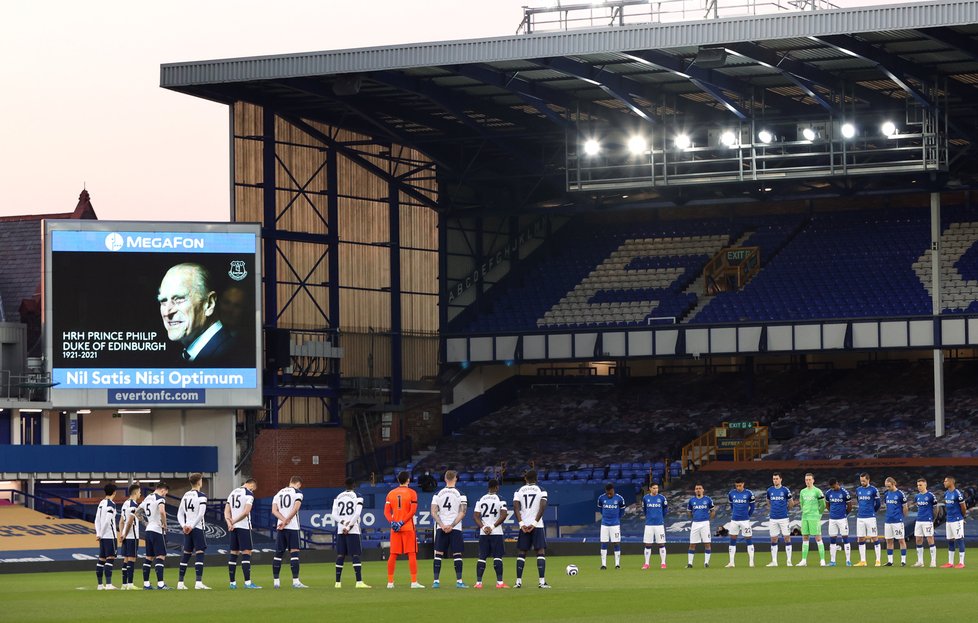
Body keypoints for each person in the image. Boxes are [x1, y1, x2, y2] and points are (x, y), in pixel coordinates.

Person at [157, 263, 241, 366]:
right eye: (163, 300)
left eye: (179, 299)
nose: (167, 312)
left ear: (209, 304)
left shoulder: (229, 356)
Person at [384, 470, 424, 589]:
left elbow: (386, 512)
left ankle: (390, 582)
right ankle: (413, 582)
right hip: (407, 527)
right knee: (411, 553)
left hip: (395, 528)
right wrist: (402, 522)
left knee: (393, 554)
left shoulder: (391, 493)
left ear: (398, 480)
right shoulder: (412, 493)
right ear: (408, 480)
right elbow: (412, 511)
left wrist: (393, 522)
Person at [513, 470, 550, 588]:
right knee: (540, 551)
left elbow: (515, 507)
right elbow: (543, 506)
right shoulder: (542, 490)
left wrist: (521, 524)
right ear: (536, 479)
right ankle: (542, 582)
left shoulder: (518, 491)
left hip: (524, 525)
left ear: (525, 479)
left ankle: (518, 582)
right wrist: (534, 523)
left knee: (522, 552)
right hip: (537, 525)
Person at [431, 470, 469, 588]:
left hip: (441, 528)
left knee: (438, 554)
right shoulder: (461, 494)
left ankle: (436, 581)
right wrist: (452, 526)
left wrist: (442, 525)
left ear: (445, 479)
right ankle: (459, 581)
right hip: (455, 528)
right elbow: (463, 512)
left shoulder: (437, 494)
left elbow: (433, 511)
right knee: (457, 554)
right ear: (456, 479)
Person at [332, 477, 370, 589]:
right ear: (354, 485)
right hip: (352, 530)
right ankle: (359, 582)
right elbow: (357, 514)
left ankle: (337, 583)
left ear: (345, 485)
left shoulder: (338, 497)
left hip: (340, 529)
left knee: (340, 555)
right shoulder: (358, 496)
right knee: (355, 555)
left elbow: (334, 515)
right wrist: (348, 526)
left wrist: (343, 522)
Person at [272, 476, 308, 588]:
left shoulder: (278, 493)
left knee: (278, 554)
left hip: (281, 527)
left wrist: (282, 521)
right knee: (294, 554)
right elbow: (296, 508)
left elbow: (274, 510)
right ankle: (295, 581)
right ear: (298, 484)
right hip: (292, 527)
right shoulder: (298, 492)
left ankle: (276, 582)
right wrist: (287, 521)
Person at [176, 472, 209, 590]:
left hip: (187, 528)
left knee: (186, 554)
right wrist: (192, 526)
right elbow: (201, 514)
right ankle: (198, 582)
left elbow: (179, 513)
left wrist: (184, 525)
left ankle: (180, 583)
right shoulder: (202, 496)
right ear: (199, 481)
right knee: (200, 553)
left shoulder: (185, 495)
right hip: (197, 528)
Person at [225, 478, 261, 589]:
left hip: (233, 527)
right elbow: (246, 512)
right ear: (251, 486)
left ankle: (232, 583)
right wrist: (234, 521)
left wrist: (229, 523)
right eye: (253, 489)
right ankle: (248, 583)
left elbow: (226, 510)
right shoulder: (249, 494)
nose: (253, 491)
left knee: (233, 553)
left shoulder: (233, 492)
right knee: (246, 552)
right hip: (243, 526)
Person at [473, 479, 509, 589]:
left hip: (484, 533)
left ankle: (478, 583)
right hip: (496, 532)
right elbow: (503, 515)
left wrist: (484, 527)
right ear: (497, 487)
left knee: (482, 557)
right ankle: (499, 583)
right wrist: (492, 527)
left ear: (488, 487)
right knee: (497, 557)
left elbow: (475, 516)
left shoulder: (481, 499)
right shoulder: (501, 499)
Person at [139, 482, 172, 590]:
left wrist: (145, 523)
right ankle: (161, 584)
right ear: (163, 490)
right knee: (160, 556)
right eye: (165, 493)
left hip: (148, 530)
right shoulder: (160, 498)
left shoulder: (147, 498)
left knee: (149, 557)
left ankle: (146, 584)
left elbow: (137, 512)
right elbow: (162, 511)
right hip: (157, 530)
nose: (165, 495)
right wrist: (165, 525)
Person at [797, 472, 826, 567]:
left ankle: (822, 560)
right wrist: (804, 511)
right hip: (805, 517)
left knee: (818, 538)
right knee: (805, 537)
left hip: (814, 517)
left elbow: (823, 504)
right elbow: (802, 503)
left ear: (813, 480)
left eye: (809, 480)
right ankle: (804, 560)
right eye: (806, 480)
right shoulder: (802, 492)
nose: (808, 481)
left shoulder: (817, 491)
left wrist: (819, 514)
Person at [726, 477, 756, 568]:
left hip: (745, 521)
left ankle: (751, 562)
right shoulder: (731, 493)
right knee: (732, 539)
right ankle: (731, 562)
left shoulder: (749, 493)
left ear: (743, 484)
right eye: (737, 486)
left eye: (740, 485)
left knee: (748, 539)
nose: (738, 487)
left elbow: (752, 506)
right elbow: (731, 505)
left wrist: (748, 515)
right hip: (734, 520)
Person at [766, 472, 794, 567]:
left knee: (787, 538)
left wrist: (786, 510)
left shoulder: (785, 490)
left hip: (783, 518)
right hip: (773, 518)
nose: (775, 480)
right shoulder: (770, 490)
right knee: (773, 539)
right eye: (774, 479)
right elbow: (768, 501)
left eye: (777, 479)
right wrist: (772, 509)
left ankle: (789, 561)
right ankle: (774, 561)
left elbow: (791, 503)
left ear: (781, 479)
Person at [117, 484, 142, 590]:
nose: (140, 494)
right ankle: (130, 584)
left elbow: (121, 521)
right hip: (132, 536)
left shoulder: (125, 504)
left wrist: (122, 534)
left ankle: (124, 584)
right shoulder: (133, 504)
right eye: (140, 492)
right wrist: (126, 534)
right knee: (131, 559)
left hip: (126, 536)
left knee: (126, 560)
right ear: (136, 493)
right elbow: (130, 521)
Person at [854, 472, 882, 567]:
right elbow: (858, 500)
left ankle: (878, 560)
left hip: (870, 517)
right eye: (861, 481)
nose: (862, 482)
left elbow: (878, 503)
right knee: (860, 538)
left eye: (864, 481)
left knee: (874, 537)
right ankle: (863, 561)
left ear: (868, 480)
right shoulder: (858, 490)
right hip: (860, 517)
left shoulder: (874, 490)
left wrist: (873, 511)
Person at [94, 484, 118, 590]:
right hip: (110, 535)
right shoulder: (111, 504)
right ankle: (108, 584)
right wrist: (102, 533)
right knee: (110, 559)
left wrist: (98, 533)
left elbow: (97, 519)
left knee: (101, 560)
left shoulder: (101, 503)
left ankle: (100, 585)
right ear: (114, 492)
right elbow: (108, 521)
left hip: (102, 536)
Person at [686, 483, 715, 568]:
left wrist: (708, 520)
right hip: (695, 523)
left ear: (703, 490)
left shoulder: (708, 499)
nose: (698, 490)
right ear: (695, 490)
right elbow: (689, 511)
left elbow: (712, 511)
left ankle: (706, 563)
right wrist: (693, 518)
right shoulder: (692, 500)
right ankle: (690, 563)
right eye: (696, 488)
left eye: (699, 488)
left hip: (705, 523)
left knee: (707, 543)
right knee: (692, 544)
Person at [825, 479, 853, 567]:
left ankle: (848, 561)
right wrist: (832, 513)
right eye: (831, 487)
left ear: (837, 484)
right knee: (832, 539)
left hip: (842, 519)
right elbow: (827, 505)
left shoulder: (844, 492)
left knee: (845, 538)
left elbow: (849, 506)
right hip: (832, 519)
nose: (833, 488)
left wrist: (844, 514)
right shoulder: (828, 493)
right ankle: (833, 561)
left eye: (834, 486)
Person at [597, 483, 625, 570]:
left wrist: (617, 518)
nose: (609, 494)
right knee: (604, 543)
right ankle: (603, 565)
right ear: (606, 491)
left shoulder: (619, 498)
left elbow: (622, 510)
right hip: (605, 524)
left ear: (613, 490)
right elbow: (600, 509)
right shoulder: (601, 498)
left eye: (611, 492)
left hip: (615, 525)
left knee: (616, 542)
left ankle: (617, 564)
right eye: (607, 492)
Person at [941, 476, 967, 568]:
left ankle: (961, 562)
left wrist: (962, 517)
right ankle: (950, 562)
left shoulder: (957, 493)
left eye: (945, 481)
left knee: (959, 539)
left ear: (951, 482)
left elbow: (963, 507)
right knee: (950, 540)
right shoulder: (946, 493)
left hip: (957, 520)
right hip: (949, 520)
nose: (944, 483)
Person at [641, 482, 668, 570]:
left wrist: (660, 517)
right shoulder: (645, 498)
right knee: (648, 544)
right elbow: (644, 510)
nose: (656, 490)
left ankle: (663, 563)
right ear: (650, 488)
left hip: (659, 524)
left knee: (661, 543)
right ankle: (646, 563)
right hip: (649, 524)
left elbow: (665, 510)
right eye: (654, 488)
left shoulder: (662, 498)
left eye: (657, 488)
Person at [882, 477, 908, 566]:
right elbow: (886, 506)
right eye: (886, 486)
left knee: (901, 540)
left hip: (897, 521)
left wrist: (901, 517)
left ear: (893, 484)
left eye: (889, 486)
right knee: (889, 540)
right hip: (888, 521)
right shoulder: (886, 494)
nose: (887, 488)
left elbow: (905, 507)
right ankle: (890, 561)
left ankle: (903, 561)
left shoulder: (900, 494)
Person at [912, 478, 938, 568]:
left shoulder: (930, 496)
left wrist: (933, 518)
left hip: (928, 520)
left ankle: (933, 561)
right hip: (919, 520)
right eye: (918, 485)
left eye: (920, 485)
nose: (919, 487)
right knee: (918, 539)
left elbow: (936, 508)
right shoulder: (917, 496)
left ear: (925, 485)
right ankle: (920, 561)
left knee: (930, 539)